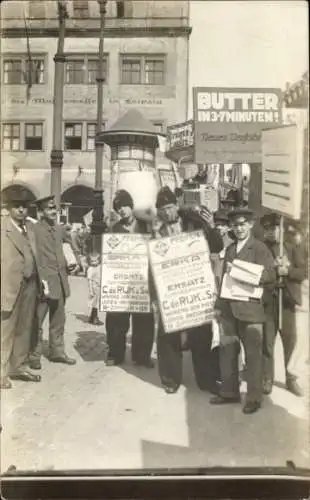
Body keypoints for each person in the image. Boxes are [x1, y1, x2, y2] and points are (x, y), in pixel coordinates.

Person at [152, 186, 223, 394]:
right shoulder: (155, 231)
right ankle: (170, 379)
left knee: (201, 336)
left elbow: (217, 247)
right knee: (168, 336)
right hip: (169, 290)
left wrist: (211, 226)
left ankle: (206, 379)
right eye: (162, 209)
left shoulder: (194, 223)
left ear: (176, 205)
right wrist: (154, 296)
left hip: (195, 288)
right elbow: (150, 265)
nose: (167, 212)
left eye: (169, 206)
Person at [210, 207, 276, 414]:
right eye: (235, 225)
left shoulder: (260, 248)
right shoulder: (230, 249)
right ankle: (229, 392)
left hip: (251, 309)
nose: (238, 229)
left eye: (242, 224)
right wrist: (219, 307)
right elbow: (224, 280)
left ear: (250, 225)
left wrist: (243, 273)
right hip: (230, 308)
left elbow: (270, 276)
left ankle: (254, 398)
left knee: (253, 356)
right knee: (228, 350)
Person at [105, 189, 155, 368]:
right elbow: (108, 255)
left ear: (131, 206)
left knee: (144, 321)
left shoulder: (146, 226)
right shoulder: (113, 229)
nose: (122, 211)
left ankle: (141, 356)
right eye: (118, 208)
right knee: (116, 319)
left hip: (142, 281)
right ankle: (115, 353)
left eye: (124, 206)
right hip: (121, 283)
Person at [260, 214, 306, 397]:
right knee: (267, 342)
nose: (272, 232)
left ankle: (290, 379)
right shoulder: (261, 249)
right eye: (268, 229)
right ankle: (267, 378)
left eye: (275, 228)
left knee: (290, 342)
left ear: (281, 229)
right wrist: (272, 270)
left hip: (286, 301)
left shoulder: (291, 248)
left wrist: (287, 271)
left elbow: (303, 272)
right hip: (269, 301)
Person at [29, 195, 76, 369]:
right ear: (41, 212)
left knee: (58, 320)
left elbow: (69, 247)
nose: (53, 212)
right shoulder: (33, 230)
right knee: (37, 320)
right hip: (43, 284)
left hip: (60, 281)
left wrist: (74, 262)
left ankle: (57, 352)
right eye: (49, 209)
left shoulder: (59, 229)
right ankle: (34, 355)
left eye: (54, 208)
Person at [1, 188, 41, 388]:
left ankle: (18, 366)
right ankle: (1, 371)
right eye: (16, 206)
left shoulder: (30, 229)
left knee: (25, 326)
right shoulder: (3, 229)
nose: (21, 210)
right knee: (5, 329)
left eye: (24, 207)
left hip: (30, 284)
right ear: (8, 209)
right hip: (8, 285)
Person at [87, 252, 103, 325]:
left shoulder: (100, 267)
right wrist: (91, 290)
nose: (93, 262)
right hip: (94, 287)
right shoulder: (90, 269)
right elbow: (89, 280)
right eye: (92, 261)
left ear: (99, 260)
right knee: (95, 303)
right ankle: (95, 318)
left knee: (96, 303)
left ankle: (92, 317)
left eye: (95, 260)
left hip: (99, 286)